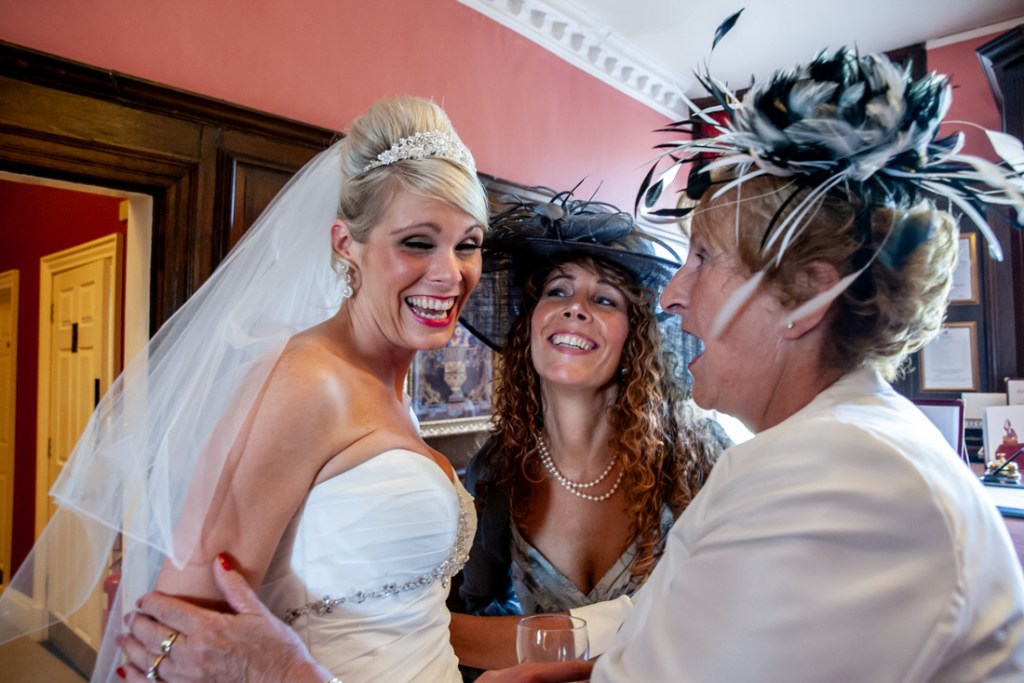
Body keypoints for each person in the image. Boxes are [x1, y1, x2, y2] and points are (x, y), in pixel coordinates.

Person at [121, 31, 1024, 683]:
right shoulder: (334, 394)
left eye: (703, 259)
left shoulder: (831, 480)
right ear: (346, 246)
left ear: (810, 297)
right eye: (416, 241)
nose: (674, 296)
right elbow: (179, 627)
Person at [0, 96, 490, 683]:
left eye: (468, 243)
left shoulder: (393, 389)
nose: (451, 273)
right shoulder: (306, 383)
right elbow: (180, 642)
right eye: (417, 242)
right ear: (346, 244)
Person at [449, 192, 725, 673]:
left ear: (635, 337)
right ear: (529, 325)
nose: (575, 308)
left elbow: (737, 618)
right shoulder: (498, 468)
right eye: (557, 291)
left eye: (604, 299)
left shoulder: (699, 457)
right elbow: (469, 620)